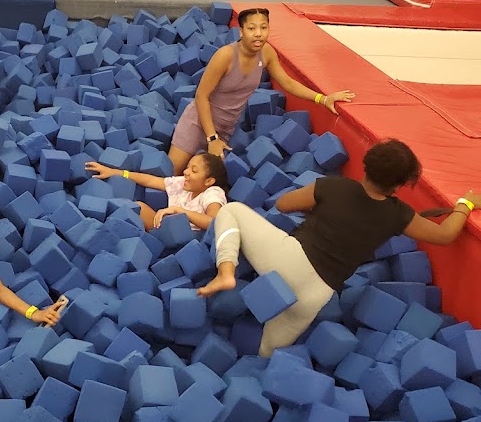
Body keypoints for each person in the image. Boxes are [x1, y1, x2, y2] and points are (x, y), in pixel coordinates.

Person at [197, 139, 480, 357]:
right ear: (398, 185)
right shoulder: (399, 214)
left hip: (287, 259)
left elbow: (283, 204)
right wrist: (465, 204)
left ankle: (226, 272)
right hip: (315, 294)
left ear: (366, 165)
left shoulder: (333, 186)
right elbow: (445, 235)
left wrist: (318, 207)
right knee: (269, 352)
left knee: (232, 210)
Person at [168, 7, 355, 174]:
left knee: (206, 184)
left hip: (225, 128)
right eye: (252, 28)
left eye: (263, 28)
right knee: (172, 174)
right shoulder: (225, 56)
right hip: (199, 123)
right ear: (241, 31)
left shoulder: (267, 53)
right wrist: (212, 138)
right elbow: (201, 96)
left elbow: (287, 83)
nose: (258, 34)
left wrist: (323, 99)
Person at [85, 152, 229, 232]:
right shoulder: (183, 183)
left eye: (194, 170)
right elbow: (150, 181)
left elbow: (214, 222)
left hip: (189, 241)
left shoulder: (213, 193)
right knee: (136, 208)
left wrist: (178, 211)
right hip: (165, 230)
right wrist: (116, 172)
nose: (186, 172)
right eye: (187, 167)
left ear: (209, 181)